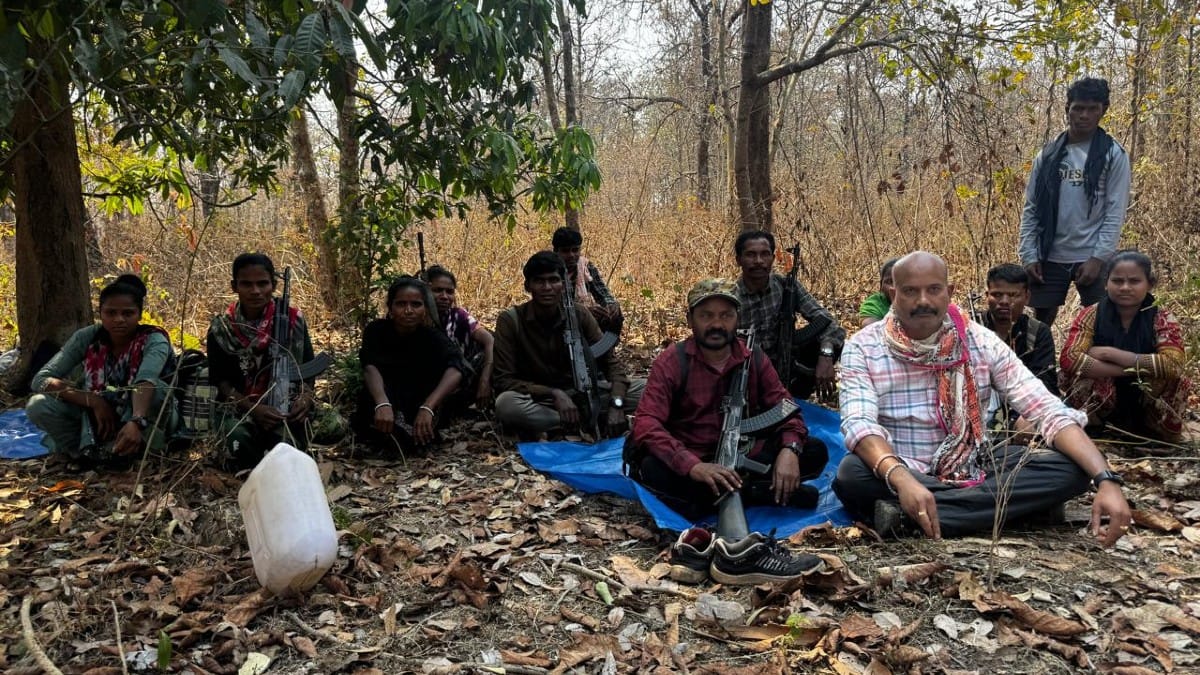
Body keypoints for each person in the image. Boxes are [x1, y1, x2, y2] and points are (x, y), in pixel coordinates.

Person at [833, 251, 1132, 547]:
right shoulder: (864, 346)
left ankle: (907, 517)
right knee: (852, 474)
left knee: (1074, 469)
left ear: (949, 292)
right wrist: (901, 478)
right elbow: (860, 424)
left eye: (933, 290)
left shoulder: (979, 340)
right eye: (910, 291)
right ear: (893, 292)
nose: (923, 301)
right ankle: (1008, 510)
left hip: (973, 462)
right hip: (901, 464)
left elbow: (1045, 408)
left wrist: (1106, 479)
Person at [629, 280, 828, 585]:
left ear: (738, 318)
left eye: (725, 315)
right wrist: (692, 465)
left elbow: (787, 409)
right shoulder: (672, 361)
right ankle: (745, 518)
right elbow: (646, 424)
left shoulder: (753, 358)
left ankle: (739, 491)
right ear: (691, 320)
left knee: (813, 451)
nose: (716, 324)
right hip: (692, 460)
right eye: (706, 315)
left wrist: (789, 450)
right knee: (652, 468)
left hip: (743, 451)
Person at [27, 275, 179, 467]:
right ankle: (85, 452)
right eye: (111, 313)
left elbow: (145, 381)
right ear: (101, 313)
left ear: (140, 315)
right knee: (38, 405)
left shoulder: (154, 340)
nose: (119, 320)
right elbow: (40, 379)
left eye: (128, 313)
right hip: (96, 416)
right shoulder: (87, 337)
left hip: (143, 414)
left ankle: (136, 451)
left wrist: (136, 420)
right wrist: (93, 400)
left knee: (157, 390)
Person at [1019, 77, 1131, 325]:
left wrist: (1098, 258)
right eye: (1078, 108)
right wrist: (1029, 254)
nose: (1084, 115)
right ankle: (1043, 365)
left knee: (1101, 322)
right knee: (1041, 323)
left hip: (1091, 254)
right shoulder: (1048, 155)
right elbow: (1032, 208)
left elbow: (1115, 211)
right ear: (1067, 108)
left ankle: (1091, 364)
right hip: (1049, 254)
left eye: (1093, 109)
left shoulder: (1113, 154)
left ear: (1104, 110)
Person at [493, 251, 642, 438]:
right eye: (539, 281)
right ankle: (582, 421)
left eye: (554, 280)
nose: (547, 287)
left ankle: (580, 419)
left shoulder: (580, 314)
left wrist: (616, 404)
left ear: (563, 285)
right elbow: (503, 380)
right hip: (541, 400)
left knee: (649, 389)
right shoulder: (511, 320)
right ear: (528, 286)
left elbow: (612, 364)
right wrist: (553, 393)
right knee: (506, 405)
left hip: (586, 394)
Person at [1059, 251, 1191, 443]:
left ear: (1150, 284)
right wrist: (1134, 368)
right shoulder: (1091, 314)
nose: (1125, 287)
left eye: (1134, 281)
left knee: (1178, 380)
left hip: (1145, 395)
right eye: (1117, 281)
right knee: (1076, 375)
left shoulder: (1161, 317)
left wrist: (1108, 353)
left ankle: (1154, 431)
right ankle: (1093, 426)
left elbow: (1173, 364)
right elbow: (1069, 359)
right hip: (1107, 394)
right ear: (1106, 283)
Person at [207, 253, 317, 470]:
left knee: (303, 437)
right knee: (239, 441)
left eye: (262, 283)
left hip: (286, 405)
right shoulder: (221, 329)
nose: (255, 291)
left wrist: (304, 399)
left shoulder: (293, 320)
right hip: (241, 407)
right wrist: (252, 409)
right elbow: (221, 383)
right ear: (234, 286)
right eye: (246, 284)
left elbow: (308, 369)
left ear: (274, 285)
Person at [354, 276, 465, 453]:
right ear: (390, 308)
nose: (408, 310)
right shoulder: (376, 331)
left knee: (415, 440)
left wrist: (428, 407)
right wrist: (382, 403)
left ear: (425, 309)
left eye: (416, 304)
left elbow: (456, 369)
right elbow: (369, 366)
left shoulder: (433, 338)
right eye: (401, 304)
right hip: (383, 397)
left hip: (420, 401)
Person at [734, 230, 845, 400]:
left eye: (765, 254)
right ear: (738, 260)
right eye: (750, 255)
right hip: (745, 372)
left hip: (786, 367)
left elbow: (828, 322)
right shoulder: (729, 297)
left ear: (773, 258)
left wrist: (826, 354)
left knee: (827, 342)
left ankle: (796, 398)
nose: (758, 261)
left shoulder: (786, 286)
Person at [425, 265, 495, 411]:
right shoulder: (417, 318)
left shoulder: (458, 316)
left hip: (461, 376)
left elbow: (490, 341)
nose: (444, 296)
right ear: (426, 291)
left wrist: (484, 380)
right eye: (437, 290)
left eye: (449, 292)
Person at [551, 227, 624, 335]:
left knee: (614, 314)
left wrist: (611, 305)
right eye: (566, 251)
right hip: (556, 322)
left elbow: (602, 292)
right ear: (556, 251)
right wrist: (583, 312)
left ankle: (605, 351)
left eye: (575, 250)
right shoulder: (548, 270)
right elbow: (548, 308)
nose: (571, 255)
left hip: (582, 319)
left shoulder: (585, 267)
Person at [858, 258, 898, 327]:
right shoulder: (874, 304)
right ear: (881, 284)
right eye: (889, 282)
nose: (893, 287)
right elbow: (870, 327)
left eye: (900, 281)